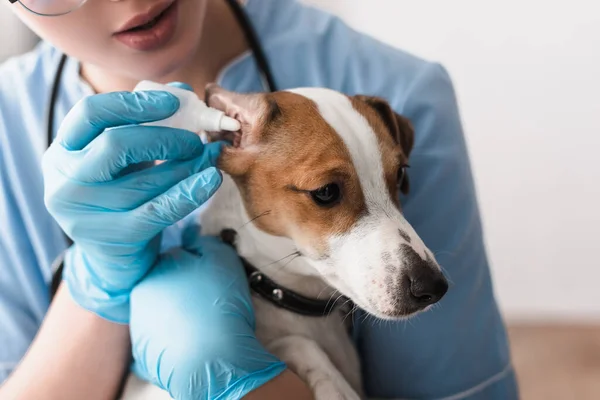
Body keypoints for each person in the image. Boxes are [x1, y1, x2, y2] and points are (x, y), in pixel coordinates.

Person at [0, 0, 519, 399]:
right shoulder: (7, 128)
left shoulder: (396, 91)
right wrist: (96, 287)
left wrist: (252, 384)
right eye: (327, 192)